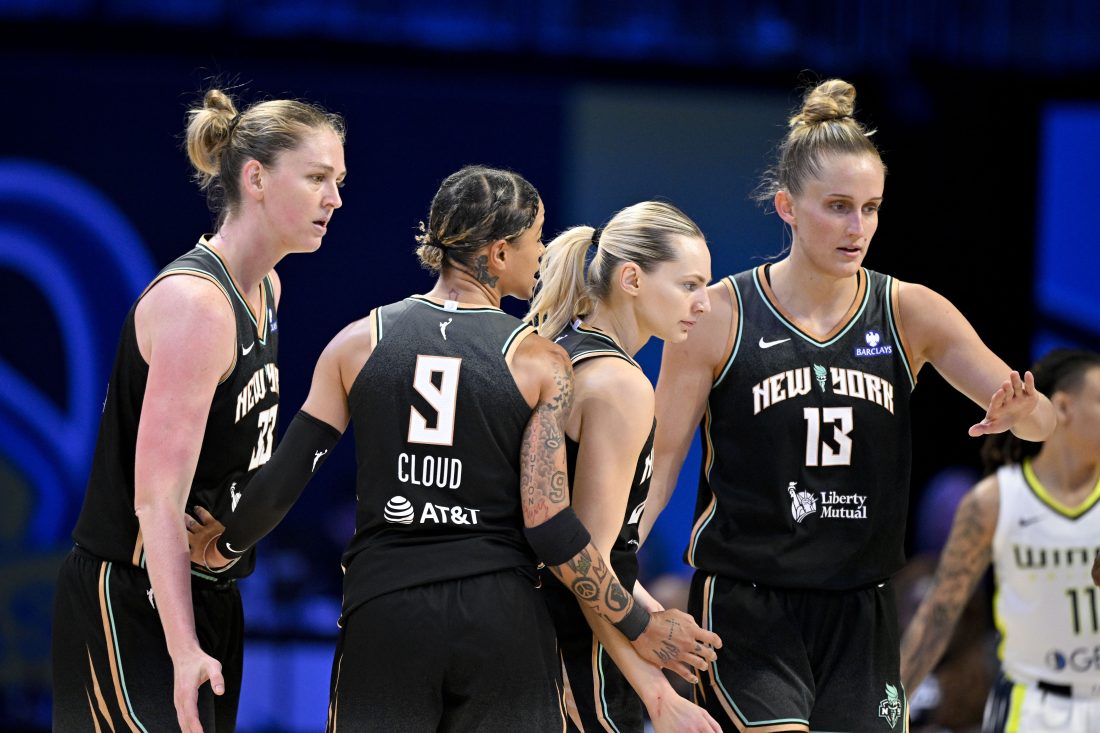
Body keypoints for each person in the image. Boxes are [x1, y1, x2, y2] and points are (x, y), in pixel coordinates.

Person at [188, 166, 720, 731]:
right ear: (497, 253)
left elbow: (289, 471)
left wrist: (227, 546)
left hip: (385, 607)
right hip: (501, 617)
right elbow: (549, 525)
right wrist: (639, 622)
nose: (543, 252)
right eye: (534, 238)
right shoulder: (539, 361)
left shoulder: (357, 341)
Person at [639, 78, 1056, 732]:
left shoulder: (909, 310)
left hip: (863, 608)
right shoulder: (719, 314)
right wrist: (610, 562)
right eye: (838, 206)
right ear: (787, 206)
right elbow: (661, 463)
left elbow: (1043, 418)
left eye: (871, 207)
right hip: (749, 603)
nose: (857, 226)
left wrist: (1023, 415)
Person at [51, 88, 346, 733]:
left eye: (339, 181)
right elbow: (157, 500)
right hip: (134, 593)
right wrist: (182, 647)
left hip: (210, 591)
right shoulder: (198, 305)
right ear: (257, 178)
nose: (336, 199)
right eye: (319, 178)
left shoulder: (266, 287)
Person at [526, 201, 722, 733]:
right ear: (632, 278)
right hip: (571, 649)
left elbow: (590, 551)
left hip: (530, 632)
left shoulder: (561, 346)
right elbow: (585, 567)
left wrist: (653, 614)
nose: (703, 304)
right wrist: (660, 697)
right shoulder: (619, 384)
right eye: (689, 285)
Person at [901, 349, 1100, 733]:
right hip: (1029, 709)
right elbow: (937, 617)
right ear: (1064, 407)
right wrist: (888, 712)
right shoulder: (994, 501)